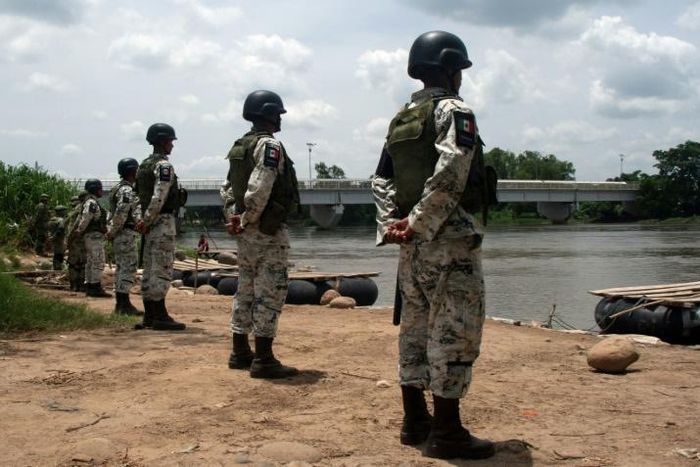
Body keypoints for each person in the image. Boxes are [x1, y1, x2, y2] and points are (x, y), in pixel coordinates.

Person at [371, 31, 495, 460]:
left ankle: (414, 420)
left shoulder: (402, 119)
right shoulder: (455, 110)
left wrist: (394, 224)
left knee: (415, 330)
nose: (461, 77)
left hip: (412, 248)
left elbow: (381, 179)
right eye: (459, 69)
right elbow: (453, 168)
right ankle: (448, 432)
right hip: (450, 242)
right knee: (454, 331)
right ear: (449, 67)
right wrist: (421, 222)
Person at [225, 90, 300, 379]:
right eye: (277, 113)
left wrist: (234, 217)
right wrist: (246, 218)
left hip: (245, 232)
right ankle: (264, 358)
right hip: (266, 231)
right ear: (267, 113)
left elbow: (228, 188)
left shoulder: (239, 147)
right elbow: (260, 186)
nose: (280, 118)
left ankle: (240, 351)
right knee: (270, 291)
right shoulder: (270, 146)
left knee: (245, 288)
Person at [135, 123, 186, 331]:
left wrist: (141, 220)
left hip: (149, 224)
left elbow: (139, 198)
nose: (172, 146)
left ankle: (149, 314)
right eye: (170, 141)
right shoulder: (164, 166)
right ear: (163, 142)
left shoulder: (142, 166)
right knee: (162, 268)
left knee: (149, 267)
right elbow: (160, 195)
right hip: (162, 221)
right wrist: (147, 219)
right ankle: (159, 315)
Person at [107, 158, 145, 315]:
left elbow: (112, 212)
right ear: (132, 171)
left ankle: (121, 304)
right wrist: (114, 230)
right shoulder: (127, 190)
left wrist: (111, 230)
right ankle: (124, 304)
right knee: (128, 267)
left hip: (120, 233)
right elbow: (122, 212)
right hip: (125, 233)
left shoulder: (116, 188)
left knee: (121, 267)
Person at [72, 179, 110, 297]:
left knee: (91, 261)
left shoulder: (90, 201)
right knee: (98, 261)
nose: (102, 191)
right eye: (100, 188)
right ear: (95, 189)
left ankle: (89, 285)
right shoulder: (92, 203)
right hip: (94, 236)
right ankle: (95, 287)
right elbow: (87, 217)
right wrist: (80, 230)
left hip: (91, 236)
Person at [66, 192, 88, 291]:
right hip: (81, 239)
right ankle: (81, 286)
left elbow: (71, 226)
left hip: (74, 239)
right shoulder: (83, 208)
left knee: (73, 263)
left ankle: (74, 286)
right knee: (82, 263)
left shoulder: (74, 212)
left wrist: (68, 239)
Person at [48, 205, 67, 270]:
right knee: (59, 254)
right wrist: (55, 236)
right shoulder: (61, 220)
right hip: (59, 238)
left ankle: (55, 266)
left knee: (56, 253)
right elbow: (60, 230)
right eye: (64, 211)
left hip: (53, 238)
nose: (65, 212)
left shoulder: (52, 220)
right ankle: (58, 268)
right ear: (61, 212)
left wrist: (51, 237)